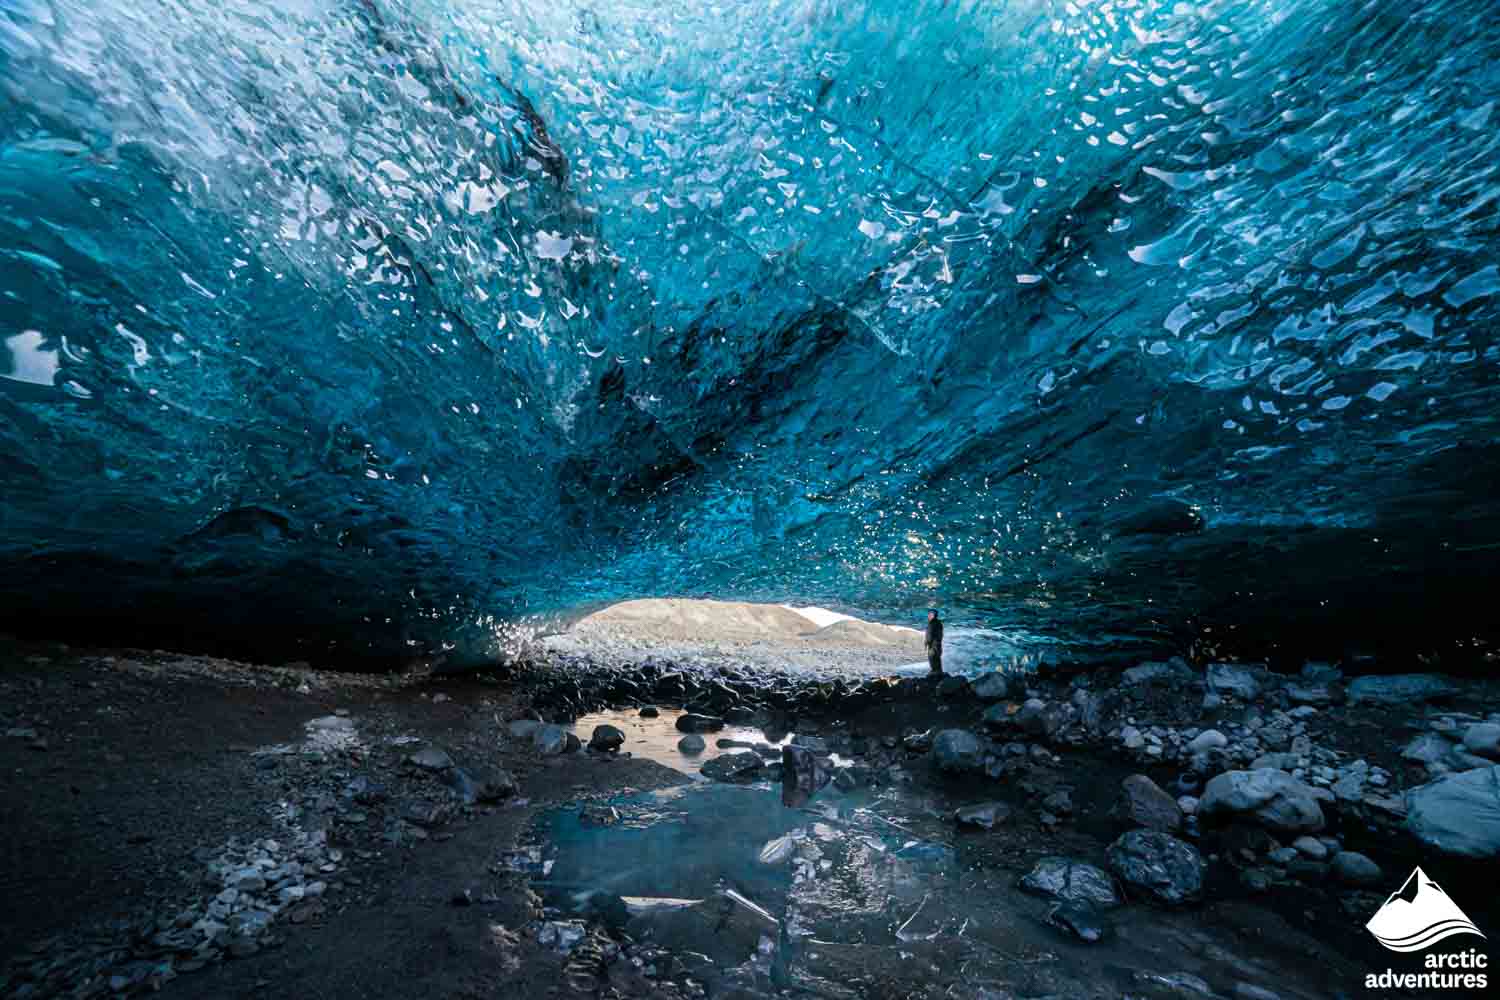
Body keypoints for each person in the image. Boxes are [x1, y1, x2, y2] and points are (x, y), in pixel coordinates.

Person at [925, 609, 944, 675]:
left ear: (932, 615)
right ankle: (939, 672)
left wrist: (927, 642)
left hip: (933, 645)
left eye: (929, 614)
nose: (928, 616)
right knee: (937, 659)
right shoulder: (939, 623)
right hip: (938, 644)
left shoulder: (932, 623)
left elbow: (929, 634)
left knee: (932, 658)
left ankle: (934, 672)